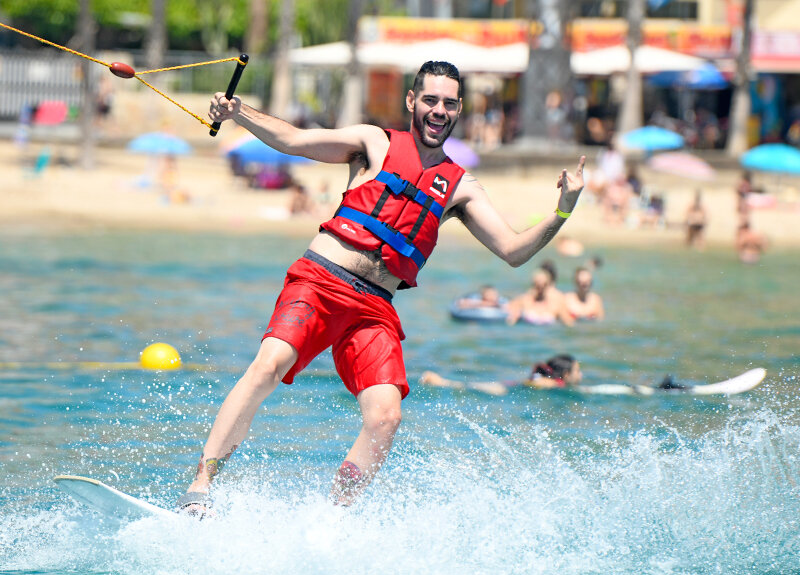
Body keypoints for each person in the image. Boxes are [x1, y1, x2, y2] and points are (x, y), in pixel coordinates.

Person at [176, 61, 586, 514]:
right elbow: (293, 140)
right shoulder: (375, 142)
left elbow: (512, 250)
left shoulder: (460, 187)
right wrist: (237, 112)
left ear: (459, 109)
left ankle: (333, 519)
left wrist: (562, 210)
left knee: (386, 417)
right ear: (412, 101)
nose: (438, 110)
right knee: (268, 364)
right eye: (430, 100)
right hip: (321, 281)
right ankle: (201, 487)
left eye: (449, 103)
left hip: (373, 307)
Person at [420, 354, 583, 396]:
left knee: (467, 387)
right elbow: (538, 384)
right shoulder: (554, 384)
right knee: (465, 387)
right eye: (577, 370)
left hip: (507, 387)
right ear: (566, 375)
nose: (581, 375)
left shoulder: (553, 383)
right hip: (505, 391)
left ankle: (439, 381)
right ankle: (438, 380)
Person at [506, 267, 574, 327]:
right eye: (537, 285)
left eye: (543, 285)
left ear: (548, 285)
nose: (540, 288)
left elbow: (569, 323)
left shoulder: (556, 304)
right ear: (533, 284)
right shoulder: (525, 300)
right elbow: (510, 316)